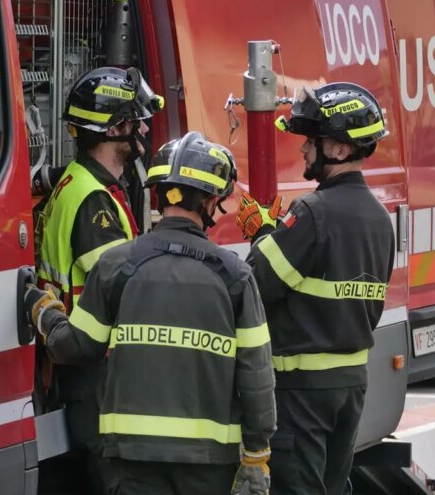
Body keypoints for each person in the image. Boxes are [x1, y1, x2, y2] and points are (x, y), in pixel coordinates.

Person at [25, 131, 277, 495]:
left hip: (131, 459)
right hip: (208, 464)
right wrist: (256, 454)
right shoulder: (235, 277)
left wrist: (44, 310)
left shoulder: (115, 266)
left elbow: (75, 347)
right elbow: (256, 375)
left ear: (157, 193)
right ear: (211, 201)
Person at [236, 82, 396, 495]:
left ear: (340, 149)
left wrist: (262, 236)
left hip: (303, 391)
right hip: (351, 386)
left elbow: (256, 282)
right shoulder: (381, 219)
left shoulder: (312, 212)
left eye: (313, 140)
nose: (305, 148)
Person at [33, 65, 163, 494]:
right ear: (113, 129)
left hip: (80, 364)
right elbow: (127, 288)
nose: (143, 130)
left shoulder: (79, 182)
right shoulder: (93, 200)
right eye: (135, 121)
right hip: (95, 371)